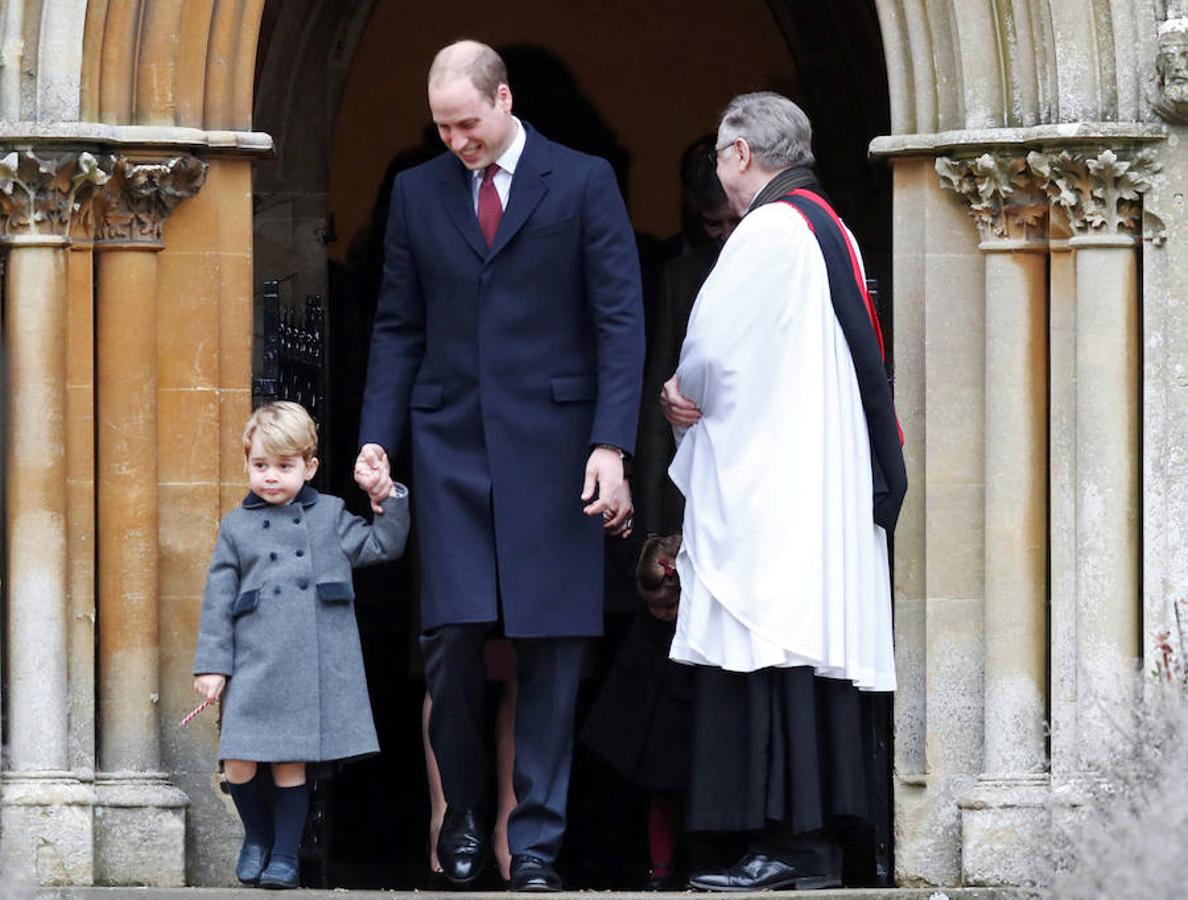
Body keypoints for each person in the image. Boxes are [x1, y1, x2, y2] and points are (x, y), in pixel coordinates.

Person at [356, 40, 644, 892]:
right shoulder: (416, 192)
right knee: (451, 640)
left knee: (553, 649)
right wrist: (379, 437)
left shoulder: (583, 180)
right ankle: (466, 823)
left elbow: (620, 322)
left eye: (468, 123)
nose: (456, 142)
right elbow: (398, 323)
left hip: (558, 452)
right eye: (442, 127)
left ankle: (542, 847)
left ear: (505, 100)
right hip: (449, 449)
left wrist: (610, 444)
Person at [660, 92, 906, 891]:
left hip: (778, 482)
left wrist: (676, 396)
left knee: (772, 646)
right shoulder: (827, 224)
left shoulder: (767, 230)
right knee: (804, 654)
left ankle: (791, 846)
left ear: (738, 154)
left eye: (721, 160)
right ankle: (814, 847)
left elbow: (709, 354)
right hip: (815, 475)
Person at [192, 401, 410, 889]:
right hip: (252, 662)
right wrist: (212, 667)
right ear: (246, 463)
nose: (271, 477)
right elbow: (217, 600)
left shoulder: (330, 515)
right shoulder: (235, 527)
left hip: (305, 663)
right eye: (260, 465)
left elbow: (382, 546)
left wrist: (388, 497)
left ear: (309, 467)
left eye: (284, 467)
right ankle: (257, 836)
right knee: (240, 760)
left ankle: (286, 856)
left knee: (291, 764)